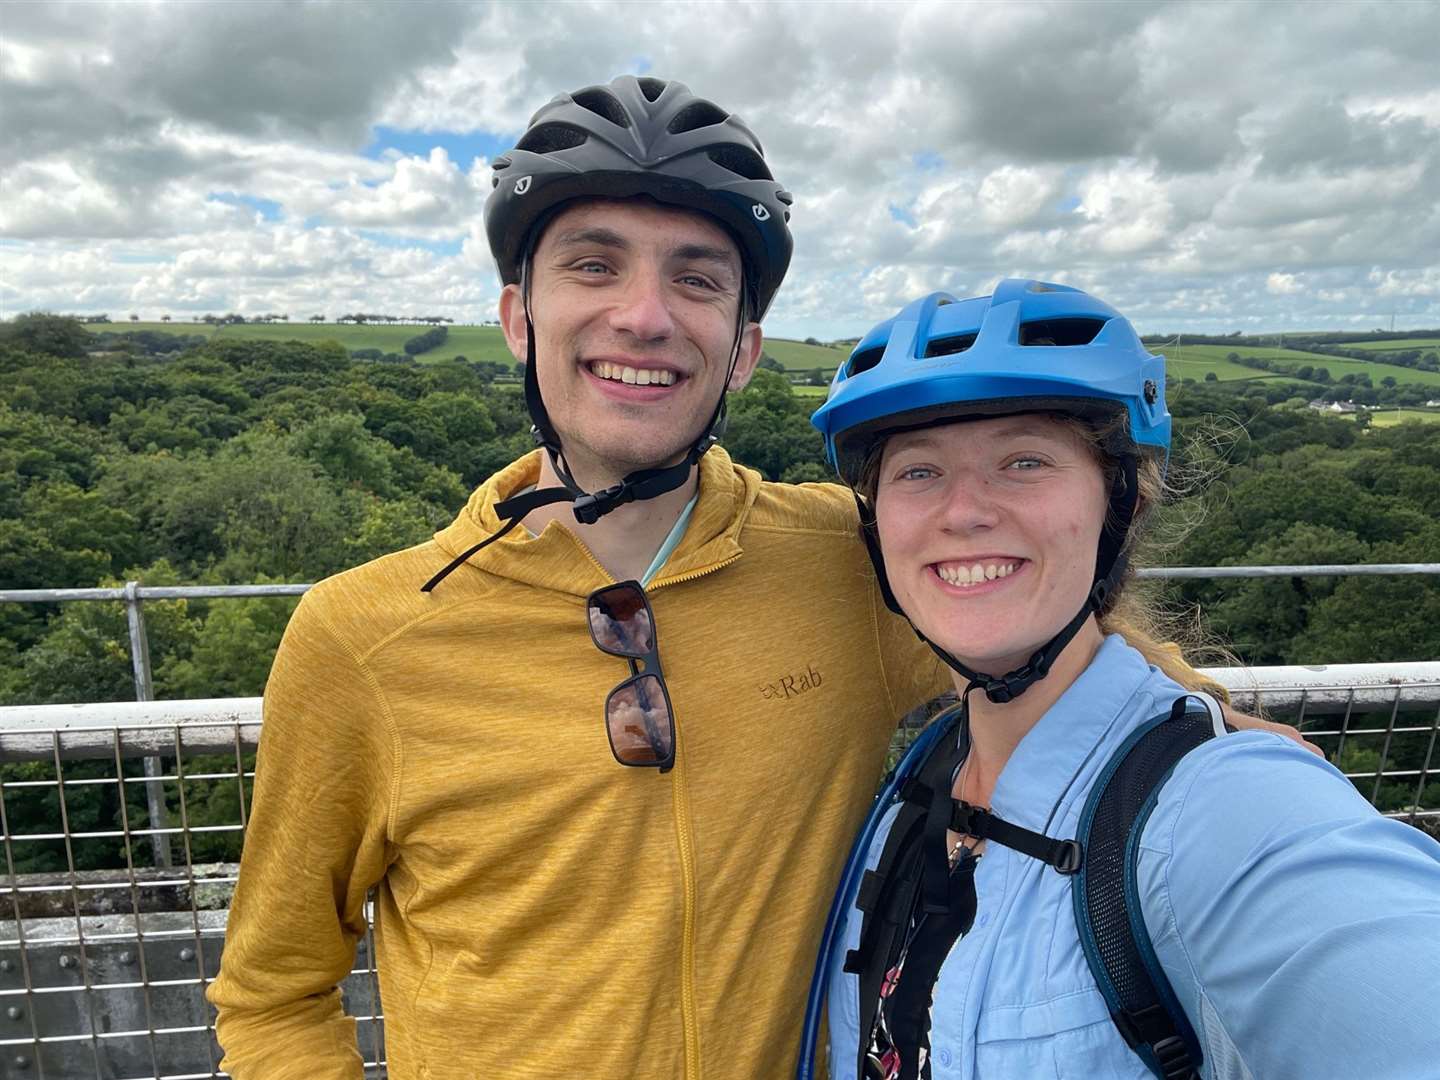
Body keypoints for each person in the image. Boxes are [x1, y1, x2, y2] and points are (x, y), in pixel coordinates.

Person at [205, 78, 1303, 1079]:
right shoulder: (367, 636)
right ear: (515, 317)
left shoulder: (841, 555)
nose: (644, 314)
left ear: (741, 348)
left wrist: (1203, 725)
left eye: (697, 279)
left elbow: (1044, 643)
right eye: (593, 263)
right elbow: (272, 993)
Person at [809, 281, 1440, 1080]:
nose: (962, 511)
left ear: (1122, 504)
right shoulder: (925, 772)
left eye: (1024, 460)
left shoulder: (1225, 811)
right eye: (918, 472)